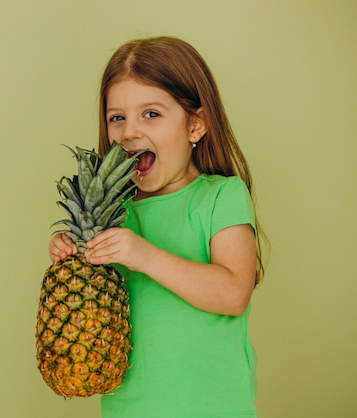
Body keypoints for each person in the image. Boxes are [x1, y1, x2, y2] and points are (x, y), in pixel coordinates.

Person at [49, 36, 265, 417]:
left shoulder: (220, 197)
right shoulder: (115, 215)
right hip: (131, 409)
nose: (130, 131)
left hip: (213, 407)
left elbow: (234, 293)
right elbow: (90, 306)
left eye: (151, 114)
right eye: (118, 117)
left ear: (195, 125)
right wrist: (73, 255)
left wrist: (144, 255)